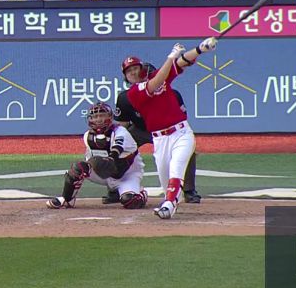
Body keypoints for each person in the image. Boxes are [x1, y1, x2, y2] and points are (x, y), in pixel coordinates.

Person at [123, 37, 218, 219]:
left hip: (181, 132)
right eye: (129, 71)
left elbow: (182, 61)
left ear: (142, 69)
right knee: (166, 182)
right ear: (125, 77)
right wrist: (170, 57)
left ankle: (168, 206)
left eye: (135, 68)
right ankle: (173, 199)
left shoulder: (160, 76)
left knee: (177, 168)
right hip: (160, 139)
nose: (133, 72)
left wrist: (201, 48)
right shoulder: (133, 93)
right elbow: (156, 82)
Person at [111, 61, 201, 206]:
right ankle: (115, 188)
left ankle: (189, 190)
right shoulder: (125, 97)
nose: (145, 78)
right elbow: (122, 125)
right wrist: (119, 143)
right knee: (117, 147)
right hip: (139, 129)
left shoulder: (172, 94)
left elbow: (182, 118)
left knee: (188, 152)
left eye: (150, 75)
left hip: (165, 131)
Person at [46, 102, 148, 210]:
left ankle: (141, 193)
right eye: (95, 116)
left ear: (110, 117)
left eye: (102, 115)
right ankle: (66, 199)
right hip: (106, 173)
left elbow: (117, 150)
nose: (98, 119)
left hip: (127, 174)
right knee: (78, 168)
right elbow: (89, 161)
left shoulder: (120, 132)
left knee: (130, 201)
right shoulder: (88, 136)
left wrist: (108, 160)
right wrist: (97, 164)